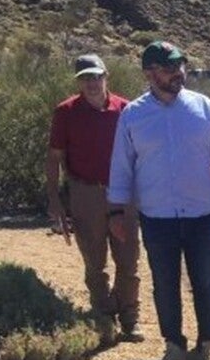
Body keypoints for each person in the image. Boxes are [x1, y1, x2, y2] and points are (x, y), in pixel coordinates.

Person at [108, 41, 210, 360]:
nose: (178, 73)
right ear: (149, 73)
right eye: (169, 68)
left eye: (180, 66)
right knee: (165, 285)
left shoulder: (203, 107)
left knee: (206, 282)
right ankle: (174, 346)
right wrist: (116, 211)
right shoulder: (133, 115)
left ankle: (209, 343)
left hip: (203, 214)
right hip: (158, 218)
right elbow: (121, 167)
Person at [45, 53, 143, 342]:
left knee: (128, 258)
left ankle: (129, 317)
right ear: (79, 82)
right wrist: (54, 199)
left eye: (96, 76)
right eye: (85, 78)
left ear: (106, 76)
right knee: (94, 259)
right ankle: (103, 315)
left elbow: (141, 153)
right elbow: (54, 157)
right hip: (85, 192)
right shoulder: (66, 112)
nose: (91, 83)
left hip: (123, 193)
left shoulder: (126, 109)